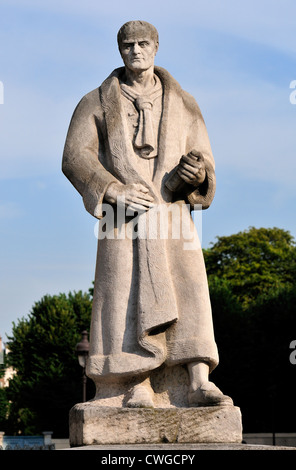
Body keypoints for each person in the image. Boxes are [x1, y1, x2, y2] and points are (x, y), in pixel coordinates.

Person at [62, 20, 232, 408]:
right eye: (127, 46)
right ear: (119, 50)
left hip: (172, 215)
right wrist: (111, 189)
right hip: (122, 219)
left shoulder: (185, 102)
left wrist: (198, 173)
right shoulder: (95, 102)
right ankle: (134, 382)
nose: (135, 51)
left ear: (156, 47)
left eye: (142, 44)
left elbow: (203, 155)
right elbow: (75, 156)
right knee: (125, 295)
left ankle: (197, 380)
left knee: (189, 290)